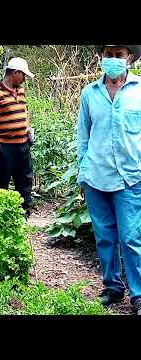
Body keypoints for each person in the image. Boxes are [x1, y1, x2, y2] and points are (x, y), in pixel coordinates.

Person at [77, 45, 141, 315]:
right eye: (108, 54)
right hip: (96, 176)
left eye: (119, 54)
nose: (113, 59)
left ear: (129, 58)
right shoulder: (89, 94)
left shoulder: (139, 91)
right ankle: (112, 288)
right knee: (104, 237)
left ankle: (138, 294)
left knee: (131, 238)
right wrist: (82, 172)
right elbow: (83, 136)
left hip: (131, 177)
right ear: (101, 58)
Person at [0, 57, 34, 217]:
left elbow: (23, 112)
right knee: (1, 180)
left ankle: (23, 212)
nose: (24, 79)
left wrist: (27, 129)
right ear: (15, 73)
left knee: (24, 179)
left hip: (23, 144)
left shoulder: (21, 91)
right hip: (4, 146)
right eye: (23, 75)